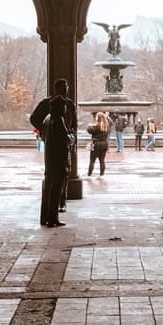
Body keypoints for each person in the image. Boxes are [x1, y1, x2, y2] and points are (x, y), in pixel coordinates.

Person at [30, 79, 77, 213]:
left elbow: (73, 123)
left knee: (62, 173)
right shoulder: (48, 104)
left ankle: (60, 202)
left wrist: (72, 135)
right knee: (59, 172)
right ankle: (55, 204)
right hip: (57, 142)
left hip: (61, 142)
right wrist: (44, 131)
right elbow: (34, 118)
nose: (66, 89)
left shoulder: (69, 104)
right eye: (64, 87)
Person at [39, 95, 72, 226]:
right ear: (60, 107)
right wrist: (72, 137)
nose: (65, 109)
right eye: (64, 106)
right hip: (59, 160)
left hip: (50, 159)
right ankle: (53, 218)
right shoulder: (59, 120)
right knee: (56, 190)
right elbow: (66, 139)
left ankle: (45, 217)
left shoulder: (47, 119)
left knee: (48, 189)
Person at [87, 111, 110, 176]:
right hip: (105, 144)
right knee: (102, 160)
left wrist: (89, 126)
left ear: (98, 118)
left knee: (92, 160)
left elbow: (90, 131)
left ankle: (89, 174)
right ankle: (101, 174)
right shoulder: (106, 126)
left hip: (96, 144)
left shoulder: (96, 125)